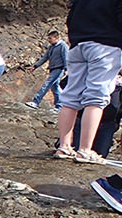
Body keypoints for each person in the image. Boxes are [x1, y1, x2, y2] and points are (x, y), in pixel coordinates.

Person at [54, 0, 122, 164]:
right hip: (106, 46)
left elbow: (70, 19)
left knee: (70, 97)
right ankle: (85, 150)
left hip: (78, 46)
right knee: (97, 97)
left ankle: (64, 146)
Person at [25, 30, 69, 110]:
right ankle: (60, 106)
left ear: (57, 37)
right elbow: (45, 57)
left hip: (59, 69)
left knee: (47, 84)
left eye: (50, 38)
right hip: (53, 68)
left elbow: (66, 58)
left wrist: (66, 69)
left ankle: (36, 102)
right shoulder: (51, 47)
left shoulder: (63, 46)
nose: (48, 40)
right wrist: (35, 66)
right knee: (55, 88)